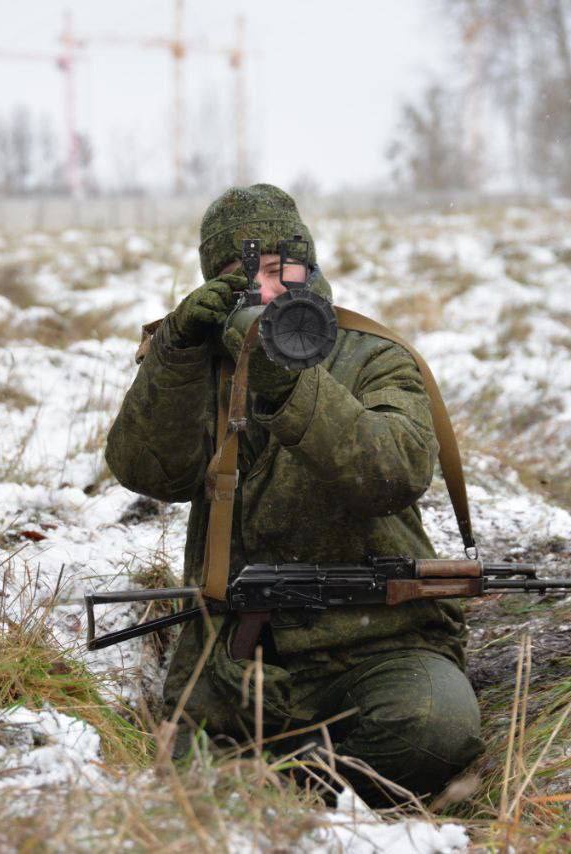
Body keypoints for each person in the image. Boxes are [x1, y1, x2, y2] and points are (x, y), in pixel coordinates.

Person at [104, 183, 485, 806]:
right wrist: (172, 355)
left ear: (311, 266)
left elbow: (393, 469)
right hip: (234, 650)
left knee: (432, 731)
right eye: (243, 272)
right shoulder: (199, 365)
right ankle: (282, 772)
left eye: (283, 268)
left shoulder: (374, 357)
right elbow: (146, 471)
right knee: (187, 771)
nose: (268, 287)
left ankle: (282, 779)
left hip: (376, 643)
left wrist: (291, 390)